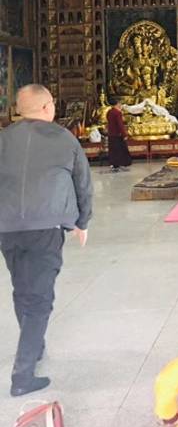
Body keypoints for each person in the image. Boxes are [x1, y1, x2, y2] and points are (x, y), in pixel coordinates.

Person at [0, 84, 93, 396]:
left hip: (7, 229)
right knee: (40, 299)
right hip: (45, 228)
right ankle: (22, 375)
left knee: (22, 288)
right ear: (46, 107)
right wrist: (82, 222)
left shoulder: (3, 139)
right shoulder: (63, 138)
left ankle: (34, 344)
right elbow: (83, 183)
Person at [106, 97, 132, 172]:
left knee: (113, 150)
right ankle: (120, 164)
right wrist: (124, 134)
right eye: (120, 103)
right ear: (117, 104)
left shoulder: (109, 112)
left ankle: (114, 164)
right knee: (120, 150)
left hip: (111, 133)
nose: (120, 105)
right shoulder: (117, 113)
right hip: (118, 134)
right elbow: (120, 125)